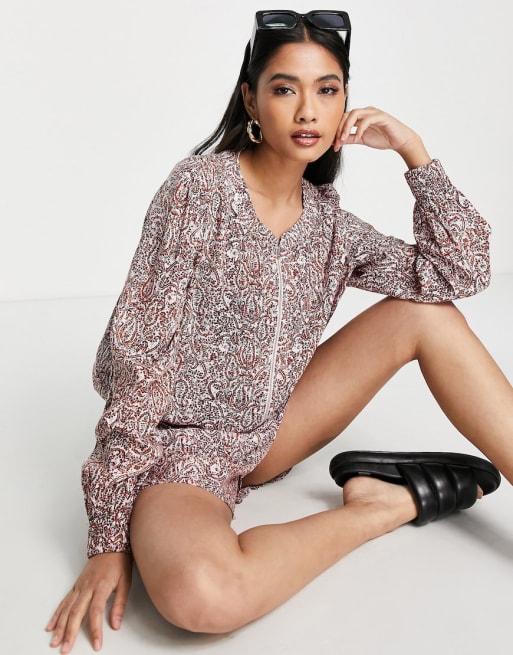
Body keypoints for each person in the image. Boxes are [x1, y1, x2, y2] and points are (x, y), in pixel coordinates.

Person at [46, 9, 512, 654]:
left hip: (272, 429)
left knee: (426, 313)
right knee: (203, 597)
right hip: (180, 450)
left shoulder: (329, 224)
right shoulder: (200, 189)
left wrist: (416, 154)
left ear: (345, 103)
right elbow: (139, 354)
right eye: (285, 88)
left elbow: (458, 272)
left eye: (327, 89)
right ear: (251, 100)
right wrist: (108, 537)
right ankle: (377, 509)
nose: (308, 111)